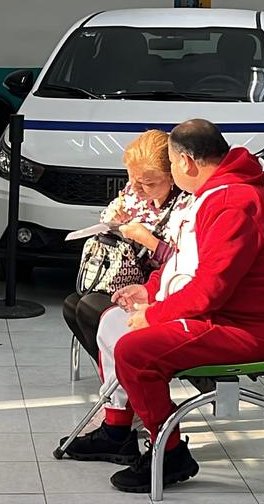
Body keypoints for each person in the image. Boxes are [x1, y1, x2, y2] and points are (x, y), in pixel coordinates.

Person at [61, 119, 264, 494]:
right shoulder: (217, 193)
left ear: (185, 162)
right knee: (112, 322)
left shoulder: (233, 203)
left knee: (134, 350)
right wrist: (149, 290)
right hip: (219, 316)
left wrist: (154, 314)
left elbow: (210, 290)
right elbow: (186, 262)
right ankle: (117, 430)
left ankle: (169, 453)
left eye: (170, 163)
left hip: (240, 329)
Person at [62, 130, 189, 360]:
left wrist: (148, 241)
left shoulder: (186, 205)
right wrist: (113, 219)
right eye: (131, 178)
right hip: (123, 276)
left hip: (158, 287)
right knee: (72, 305)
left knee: (90, 307)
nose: (136, 188)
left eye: (147, 183)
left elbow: (186, 262)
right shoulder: (133, 192)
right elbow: (109, 221)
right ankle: (118, 372)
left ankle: (126, 370)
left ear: (172, 177)